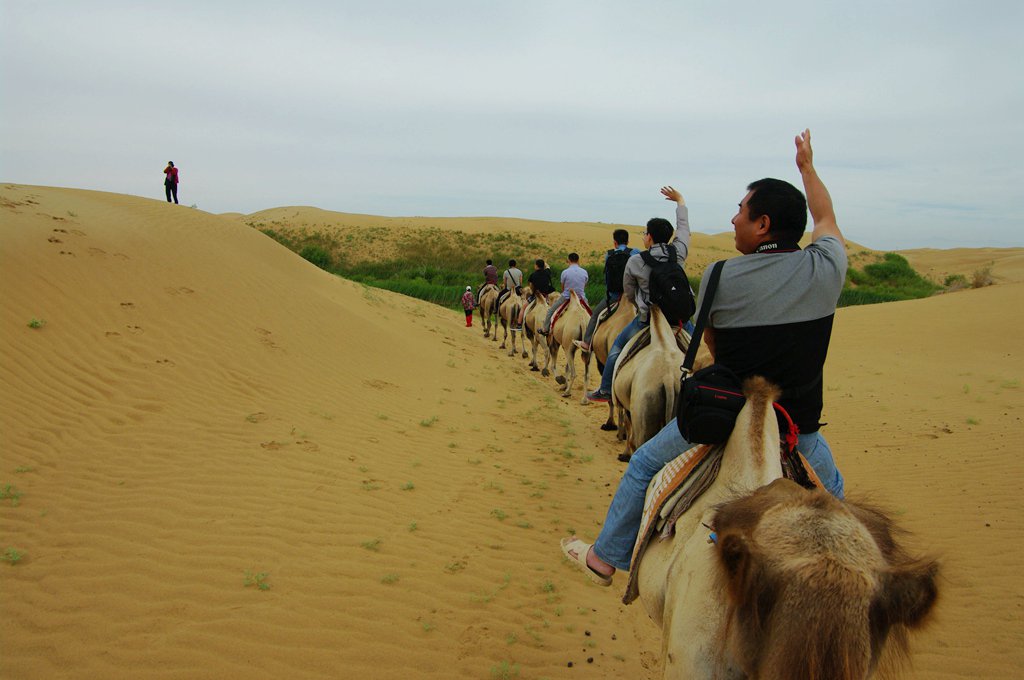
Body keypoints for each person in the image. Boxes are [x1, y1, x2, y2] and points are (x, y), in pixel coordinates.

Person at [561, 129, 847, 586]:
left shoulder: (719, 276)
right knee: (836, 501)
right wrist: (807, 169)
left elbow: (713, 343)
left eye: (740, 211)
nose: (733, 219)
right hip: (801, 426)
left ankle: (605, 557)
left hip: (726, 414)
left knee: (641, 466)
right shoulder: (828, 266)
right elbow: (826, 216)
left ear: (763, 225)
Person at [585, 186, 691, 402]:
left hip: (647, 320)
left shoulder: (636, 261)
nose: (644, 236)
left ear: (649, 237)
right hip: (681, 320)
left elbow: (630, 293)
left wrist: (642, 306)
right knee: (701, 352)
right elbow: (684, 229)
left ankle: (605, 389)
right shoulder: (679, 252)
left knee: (616, 349)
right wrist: (680, 202)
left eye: (645, 233)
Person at [574, 229, 640, 352]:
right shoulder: (635, 252)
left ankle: (587, 342)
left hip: (613, 296)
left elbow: (607, 277)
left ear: (615, 242)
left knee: (595, 316)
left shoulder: (609, 254)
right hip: (633, 297)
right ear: (628, 241)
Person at [539, 253, 588, 335]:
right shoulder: (584, 272)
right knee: (591, 315)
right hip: (581, 298)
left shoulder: (565, 272)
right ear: (578, 260)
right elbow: (584, 285)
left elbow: (563, 287)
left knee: (551, 311)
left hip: (567, 297)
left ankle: (545, 329)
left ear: (568, 260)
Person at [514, 259, 555, 330]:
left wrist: (534, 291)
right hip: (545, 296)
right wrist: (545, 264)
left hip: (535, 296)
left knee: (523, 308)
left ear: (536, 266)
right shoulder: (547, 272)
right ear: (543, 266)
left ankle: (519, 325)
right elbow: (548, 267)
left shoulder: (533, 275)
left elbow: (531, 286)